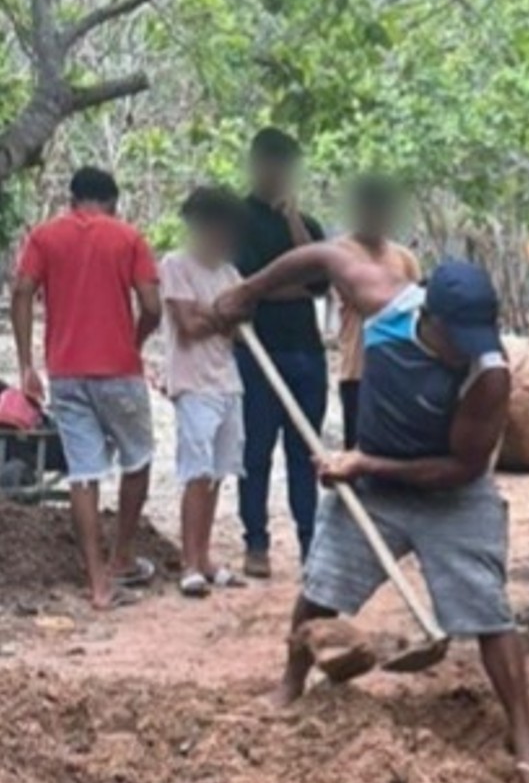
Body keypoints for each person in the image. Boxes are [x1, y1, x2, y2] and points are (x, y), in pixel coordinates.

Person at [213, 245, 529, 783]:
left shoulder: (489, 374)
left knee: (488, 610)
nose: (470, 350)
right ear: (430, 318)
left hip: (452, 494)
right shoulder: (384, 302)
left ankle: (522, 729)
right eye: (459, 340)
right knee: (319, 590)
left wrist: (365, 462)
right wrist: (248, 293)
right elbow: (322, 256)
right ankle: (290, 684)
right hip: (372, 487)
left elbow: (461, 467)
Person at [10, 167, 161, 610]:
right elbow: (152, 305)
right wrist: (135, 340)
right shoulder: (128, 238)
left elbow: (21, 291)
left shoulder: (44, 237)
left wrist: (26, 364)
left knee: (83, 474)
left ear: (71, 199)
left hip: (66, 373)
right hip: (119, 370)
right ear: (112, 201)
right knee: (138, 459)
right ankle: (122, 557)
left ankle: (98, 585)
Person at [235, 127, 329, 576]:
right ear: (257, 165)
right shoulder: (236, 222)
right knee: (255, 452)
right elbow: (245, 288)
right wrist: (292, 285)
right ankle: (256, 543)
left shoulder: (307, 225)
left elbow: (322, 280)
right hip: (256, 353)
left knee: (306, 452)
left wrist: (293, 222)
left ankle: (311, 543)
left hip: (306, 353)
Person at [160, 187, 251, 597]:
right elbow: (188, 327)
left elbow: (241, 327)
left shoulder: (230, 274)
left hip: (228, 382)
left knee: (217, 473)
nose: (223, 236)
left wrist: (209, 313)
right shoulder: (175, 265)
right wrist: (218, 314)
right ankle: (189, 563)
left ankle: (205, 556)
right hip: (193, 383)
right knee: (196, 473)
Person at [332, 174, 422, 449]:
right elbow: (361, 298)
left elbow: (416, 311)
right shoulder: (338, 253)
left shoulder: (404, 258)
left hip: (399, 371)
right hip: (358, 370)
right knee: (357, 452)